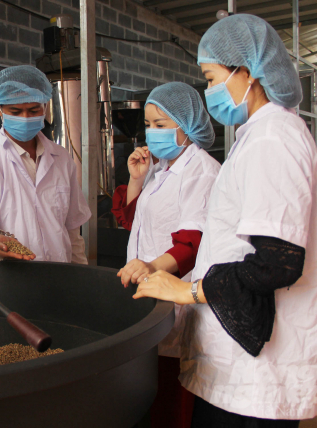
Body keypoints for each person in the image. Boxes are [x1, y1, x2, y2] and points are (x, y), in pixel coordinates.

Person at [134, 14, 317, 427]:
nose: (209, 92)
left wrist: (190, 290)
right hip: (239, 364)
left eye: (210, 78)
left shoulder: (273, 139)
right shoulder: (256, 137)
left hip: (257, 372)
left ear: (246, 72)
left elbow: (278, 262)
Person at [112, 82, 220, 428]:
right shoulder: (161, 168)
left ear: (186, 126)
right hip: (150, 291)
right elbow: (136, 224)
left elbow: (192, 242)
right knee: (150, 392)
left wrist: (151, 267)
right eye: (148, 125)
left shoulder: (200, 170)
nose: (151, 133)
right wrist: (136, 180)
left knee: (174, 398)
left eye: (160, 125)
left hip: (178, 295)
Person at [0, 65, 90, 266]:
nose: (25, 118)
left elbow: (72, 230)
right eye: (15, 111)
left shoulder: (62, 159)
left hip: (60, 275)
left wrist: (82, 273)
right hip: (11, 281)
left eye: (33, 110)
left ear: (45, 107)